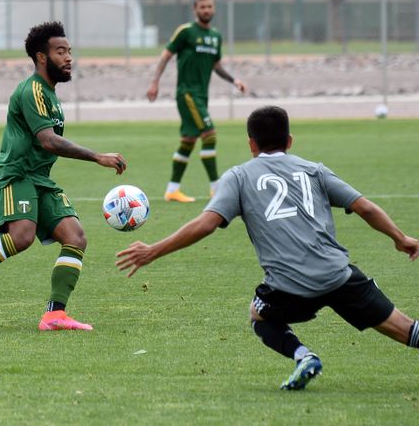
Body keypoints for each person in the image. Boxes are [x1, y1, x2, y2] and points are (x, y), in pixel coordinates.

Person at [116, 105, 419, 390]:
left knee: (258, 314)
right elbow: (365, 207)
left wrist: (153, 250)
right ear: (289, 140)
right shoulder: (315, 170)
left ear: (251, 144)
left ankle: (303, 356)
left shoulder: (239, 176)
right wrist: (400, 238)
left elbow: (206, 224)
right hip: (338, 275)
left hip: (290, 287)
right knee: (406, 329)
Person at [0, 21, 127, 331]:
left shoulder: (51, 94)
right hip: (16, 174)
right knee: (21, 237)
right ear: (41, 57)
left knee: (75, 236)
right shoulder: (32, 90)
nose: (69, 57)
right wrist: (97, 156)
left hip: (39, 178)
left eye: (70, 51)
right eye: (61, 52)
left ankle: (54, 314)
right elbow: (48, 141)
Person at [147, 0, 247, 203]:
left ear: (214, 9)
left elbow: (216, 65)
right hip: (187, 94)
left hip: (202, 96)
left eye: (210, 6)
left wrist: (233, 80)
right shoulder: (185, 32)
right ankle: (216, 188)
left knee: (188, 141)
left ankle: (172, 190)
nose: (206, 10)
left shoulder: (216, 36)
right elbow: (165, 56)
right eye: (202, 7)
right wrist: (155, 82)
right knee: (209, 135)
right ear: (195, 9)